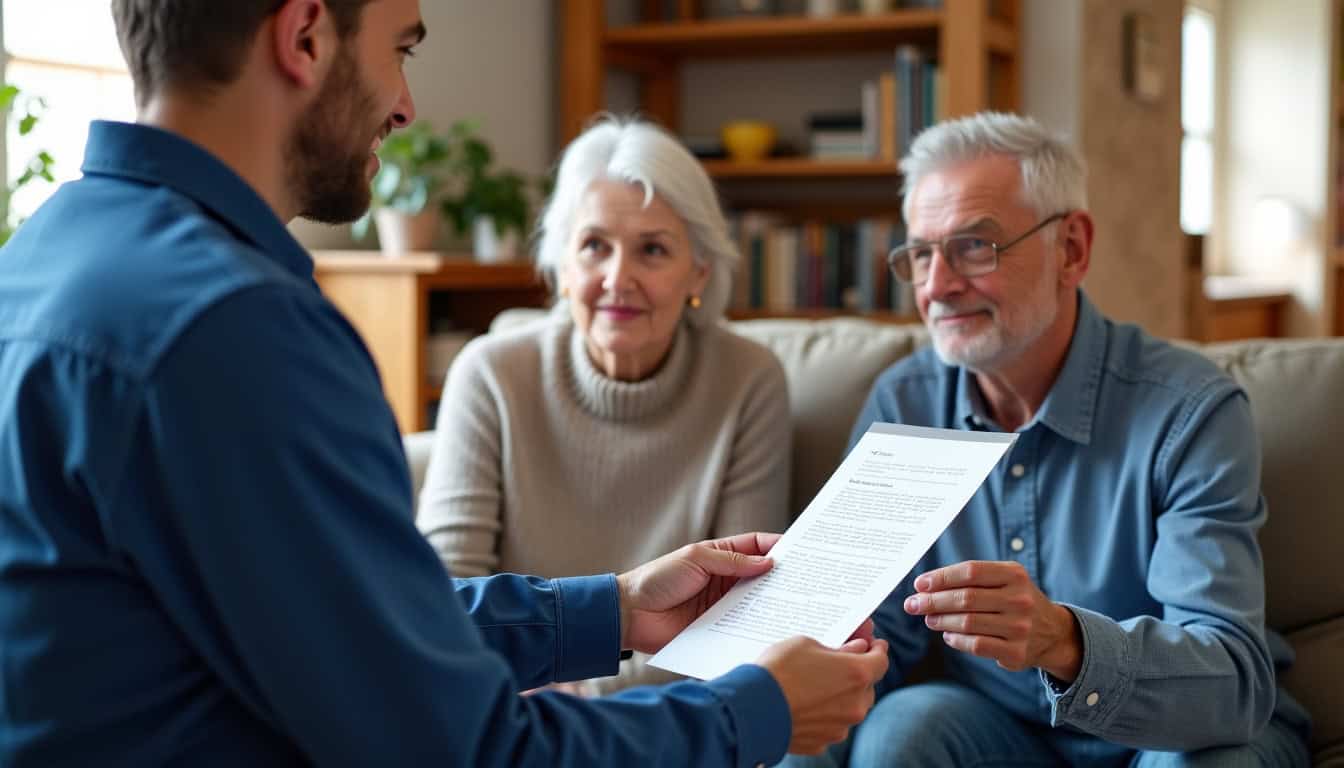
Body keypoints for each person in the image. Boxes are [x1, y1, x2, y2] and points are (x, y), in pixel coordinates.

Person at [0, 1, 890, 765]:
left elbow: (354, 633)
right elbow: (465, 751)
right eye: (402, 48)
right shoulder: (234, 327)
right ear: (306, 36)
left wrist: (612, 609)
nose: (406, 104)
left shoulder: (44, 256)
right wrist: (756, 713)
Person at [781, 112, 1312, 767]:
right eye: (921, 253)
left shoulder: (1190, 410)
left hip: (1180, 733)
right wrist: (762, 719)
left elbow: (1232, 683)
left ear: (1072, 249)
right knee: (902, 728)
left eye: (975, 245)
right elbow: (865, 634)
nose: (937, 286)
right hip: (995, 731)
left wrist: (1065, 641)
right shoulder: (906, 402)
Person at [416, 116, 792, 695]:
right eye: (594, 246)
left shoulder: (749, 380)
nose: (619, 278)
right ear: (563, 267)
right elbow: (438, 594)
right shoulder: (489, 373)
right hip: (507, 700)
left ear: (700, 270)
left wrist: (584, 699)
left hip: (667, 708)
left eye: (652, 250)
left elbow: (737, 611)